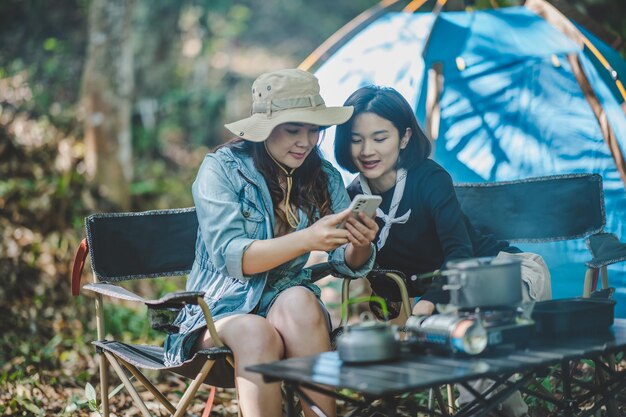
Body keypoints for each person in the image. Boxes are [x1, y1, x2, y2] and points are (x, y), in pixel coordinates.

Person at [164, 69, 378, 417]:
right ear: (264, 128)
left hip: (285, 299)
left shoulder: (323, 176)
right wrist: (307, 238)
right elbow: (233, 257)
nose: (306, 142)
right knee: (255, 332)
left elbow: (347, 262)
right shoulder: (222, 169)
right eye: (293, 129)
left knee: (300, 301)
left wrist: (361, 243)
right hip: (217, 309)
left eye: (314, 130)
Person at [334, 85, 551, 417]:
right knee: (471, 344)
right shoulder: (351, 198)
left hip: (503, 274)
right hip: (439, 307)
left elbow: (460, 252)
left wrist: (427, 303)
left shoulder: (429, 178)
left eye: (380, 138)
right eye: (356, 139)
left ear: (404, 138)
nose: (367, 150)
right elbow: (371, 274)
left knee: (472, 330)